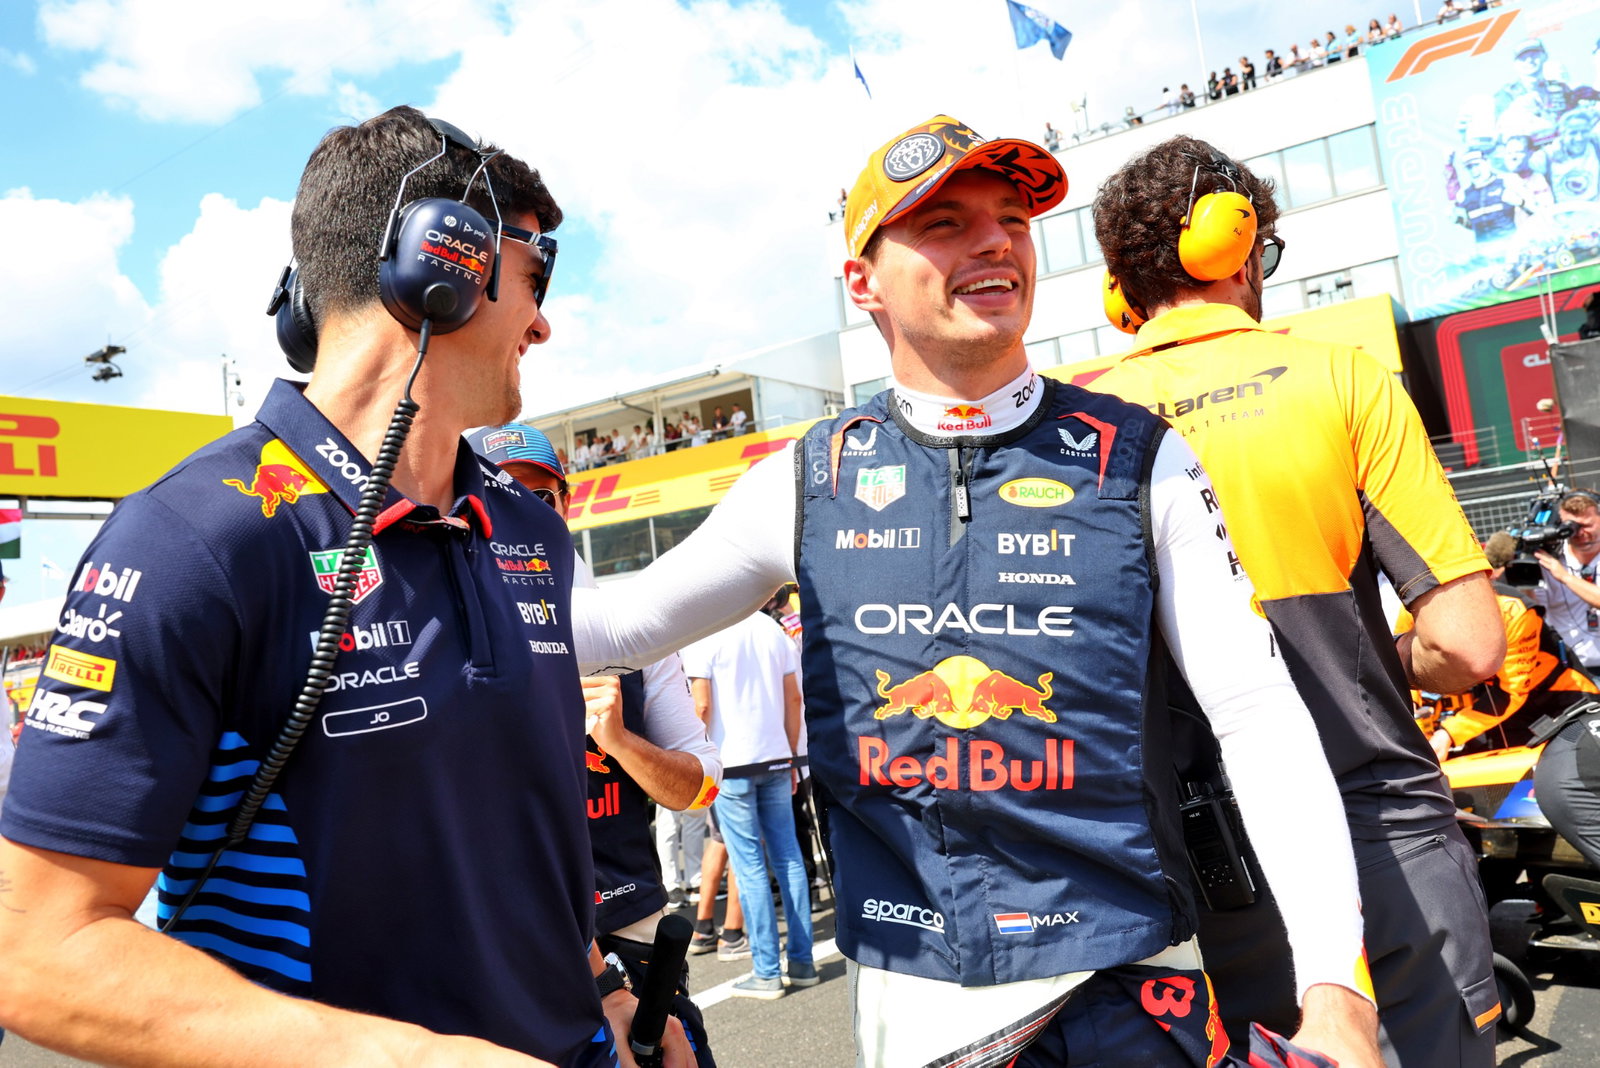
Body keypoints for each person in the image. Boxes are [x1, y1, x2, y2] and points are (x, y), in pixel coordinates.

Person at [571, 114, 1380, 1067]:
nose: (996, 239)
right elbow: (612, 625)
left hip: (1133, 982)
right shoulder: (806, 478)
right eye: (945, 222)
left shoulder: (1141, 459)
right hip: (922, 1017)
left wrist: (1337, 992)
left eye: (1013, 218)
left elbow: (1257, 715)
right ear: (862, 281)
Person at [0, 105, 681, 1066]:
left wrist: (603, 988)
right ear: (444, 266)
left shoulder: (527, 522)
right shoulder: (195, 536)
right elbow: (40, 952)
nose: (544, 320)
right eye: (538, 272)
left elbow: (507, 836)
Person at [1092, 135, 1506, 1068]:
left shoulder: (1087, 430)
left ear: (1121, 291)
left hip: (1216, 880)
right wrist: (1377, 660)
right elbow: (1472, 645)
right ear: (1232, 243)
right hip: (1383, 841)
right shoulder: (1342, 379)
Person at [473, 424, 722, 1064]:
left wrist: (620, 741)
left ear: (566, 500)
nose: (526, 513)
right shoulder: (451, 634)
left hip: (631, 925)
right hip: (511, 940)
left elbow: (701, 790)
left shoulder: (629, 627)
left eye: (541, 496)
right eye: (501, 496)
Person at [680, 608, 813, 999]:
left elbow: (700, 706)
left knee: (749, 865)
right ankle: (802, 963)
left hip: (731, 762)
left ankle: (767, 972)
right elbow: (794, 698)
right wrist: (790, 754)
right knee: (787, 857)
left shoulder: (706, 630)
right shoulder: (772, 629)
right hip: (774, 756)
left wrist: (695, 761)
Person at [1412, 531, 1597, 759]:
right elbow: (1409, 670)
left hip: (1561, 699)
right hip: (1501, 707)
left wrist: (1448, 733)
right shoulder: (1414, 611)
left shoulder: (1513, 611)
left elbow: (1511, 693)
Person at [1532, 491, 1600, 674]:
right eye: (1572, 526)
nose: (1579, 533)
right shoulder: (1548, 561)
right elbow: (1534, 612)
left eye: (1586, 525)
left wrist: (1564, 577)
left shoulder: (1557, 569)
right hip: (1572, 670)